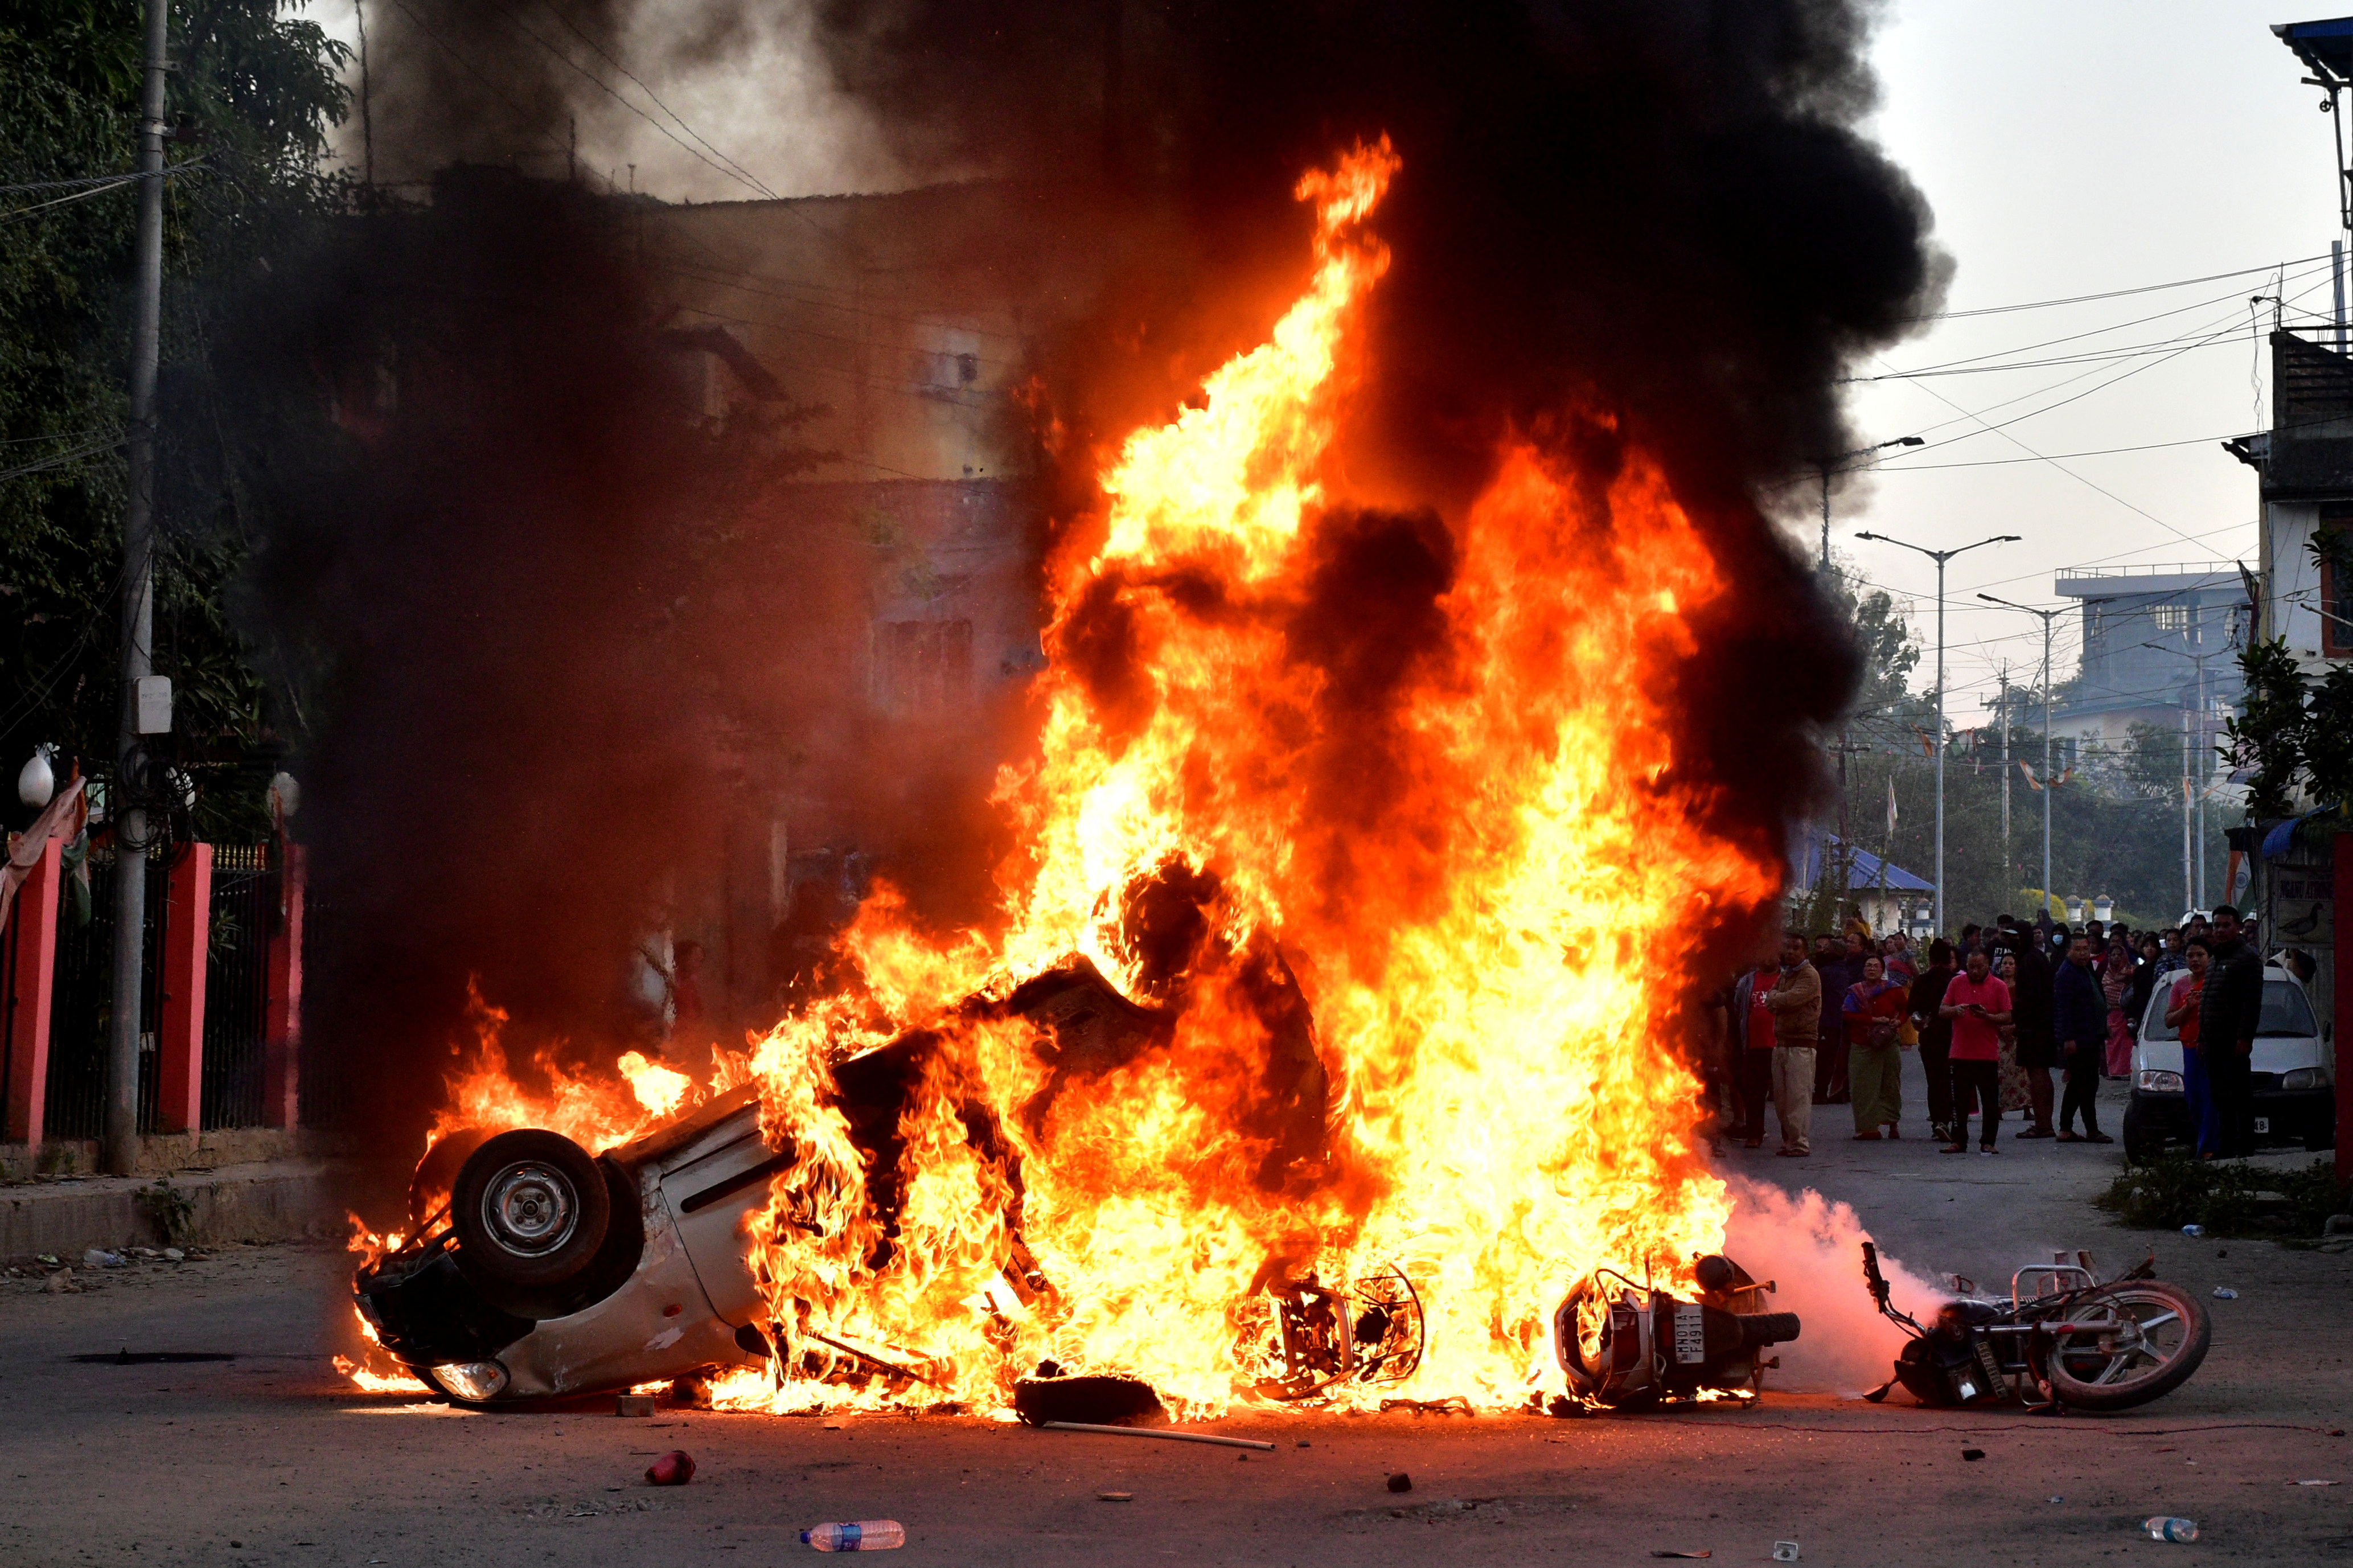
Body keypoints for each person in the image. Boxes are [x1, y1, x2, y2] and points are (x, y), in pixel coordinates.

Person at [2199, 904, 2264, 1158]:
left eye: (2226, 925)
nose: (2221, 930)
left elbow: (2251, 1003)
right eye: (2217, 926)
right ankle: (2225, 1145)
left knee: (2240, 1095)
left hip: (2233, 1041)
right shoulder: (2215, 959)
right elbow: (2207, 1001)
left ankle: (2245, 1145)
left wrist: (2245, 1037)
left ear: (2238, 927)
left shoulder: (2248, 959)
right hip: (2213, 1041)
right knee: (2220, 1096)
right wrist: (2202, 1036)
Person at [1940, 946, 2013, 1155]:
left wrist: (1987, 1017)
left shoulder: (1998, 986)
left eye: (1979, 967)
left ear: (1988, 965)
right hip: (1960, 1052)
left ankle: (1988, 1141)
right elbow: (1942, 1010)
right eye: (1971, 967)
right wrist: (1955, 1010)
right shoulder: (1956, 982)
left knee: (1990, 1101)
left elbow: (2007, 1016)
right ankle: (1959, 1140)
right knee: (1959, 1101)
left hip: (1987, 1053)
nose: (1975, 971)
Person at [1765, 932, 1822, 1157]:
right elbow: (1772, 998)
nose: (1790, 952)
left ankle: (1800, 1143)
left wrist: (1777, 999)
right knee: (1781, 1098)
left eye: (1795, 948)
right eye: (1787, 948)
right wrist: (1778, 999)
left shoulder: (1810, 975)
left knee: (1798, 1097)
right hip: (1782, 1042)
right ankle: (1789, 1140)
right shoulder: (1786, 975)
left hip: (1802, 1045)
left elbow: (1789, 999)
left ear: (1805, 952)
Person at [2053, 933, 2113, 1143]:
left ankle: (2066, 1128)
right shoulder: (2066, 974)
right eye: (2077, 950)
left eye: (2086, 949)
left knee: (2081, 1084)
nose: (2082, 954)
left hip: (2091, 1034)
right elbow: (2063, 1009)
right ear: (2069, 951)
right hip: (2078, 1038)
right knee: (2085, 1085)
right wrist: (2068, 1038)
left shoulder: (2085, 970)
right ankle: (2091, 1129)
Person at [1844, 954, 1909, 1139]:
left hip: (1888, 1042)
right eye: (1868, 966)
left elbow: (1906, 1009)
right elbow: (1848, 1015)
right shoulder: (1855, 991)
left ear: (1882, 970)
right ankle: (1868, 1129)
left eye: (1875, 966)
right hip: (1862, 1042)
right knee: (1862, 1085)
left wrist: (1899, 1022)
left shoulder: (1893, 990)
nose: (1872, 969)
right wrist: (1873, 1020)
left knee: (1890, 1084)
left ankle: (1892, 1123)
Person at [2166, 937, 2219, 1160]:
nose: (2195, 960)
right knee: (2194, 1098)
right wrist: (2188, 1007)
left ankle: (2208, 1149)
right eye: (2190, 956)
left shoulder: (2217, 982)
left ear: (2210, 958)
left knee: (2211, 1099)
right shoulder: (2180, 985)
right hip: (2190, 1048)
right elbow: (2169, 1020)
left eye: (2200, 955)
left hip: (2214, 1048)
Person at [2006, 927, 2059, 1138]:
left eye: (2014, 937)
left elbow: (2032, 996)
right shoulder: (2035, 957)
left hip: (2034, 1027)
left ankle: (2043, 1124)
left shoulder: (2029, 961)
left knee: (2037, 1074)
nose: (2010, 942)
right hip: (2042, 1024)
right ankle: (2044, 1122)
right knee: (2041, 1073)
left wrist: (2019, 1022)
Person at [1909, 939, 1960, 1143]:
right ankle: (1952, 1121)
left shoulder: (1922, 981)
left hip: (1930, 1037)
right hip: (1956, 1036)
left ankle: (1938, 1121)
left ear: (1930, 959)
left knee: (1934, 1080)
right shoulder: (1956, 981)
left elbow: (1912, 1009)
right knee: (1954, 1080)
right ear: (1950, 960)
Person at [1731, 957, 1781, 1149]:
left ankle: (1791, 1138)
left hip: (1781, 1045)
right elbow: (1738, 1008)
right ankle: (1755, 1133)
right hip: (1754, 1045)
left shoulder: (1786, 978)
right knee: (1754, 1093)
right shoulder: (1747, 981)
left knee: (1785, 1094)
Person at [1814, 931, 1862, 1105]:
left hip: (1827, 1019)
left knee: (1825, 1058)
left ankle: (1821, 1091)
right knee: (1838, 1058)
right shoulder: (1844, 969)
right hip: (1840, 1019)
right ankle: (1839, 1091)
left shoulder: (1826, 972)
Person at [2100, 939, 2137, 1078]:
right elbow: (2106, 991)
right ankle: (2114, 1071)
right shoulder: (2107, 975)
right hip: (2111, 1014)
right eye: (2113, 955)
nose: (2116, 958)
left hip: (2126, 1014)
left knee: (2126, 1043)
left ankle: (2126, 1071)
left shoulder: (2131, 972)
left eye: (2119, 955)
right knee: (2112, 1043)